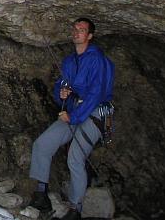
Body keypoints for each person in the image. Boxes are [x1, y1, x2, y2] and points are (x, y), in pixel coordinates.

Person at [27, 18, 115, 220]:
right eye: (75, 29)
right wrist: (62, 94)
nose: (77, 32)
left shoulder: (97, 60)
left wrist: (73, 116)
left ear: (89, 36)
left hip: (92, 114)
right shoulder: (69, 61)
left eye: (82, 30)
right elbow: (60, 86)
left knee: (75, 158)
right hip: (73, 112)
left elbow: (95, 94)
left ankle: (75, 209)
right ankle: (41, 194)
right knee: (42, 144)